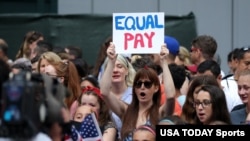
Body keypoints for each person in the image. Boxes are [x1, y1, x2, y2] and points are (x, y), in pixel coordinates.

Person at [100, 43, 175, 141]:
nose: (142, 87)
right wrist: (111, 61)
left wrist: (164, 63)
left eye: (147, 84)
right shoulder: (126, 111)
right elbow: (105, 92)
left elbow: (170, 97)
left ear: (156, 88)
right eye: (138, 84)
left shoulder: (160, 113)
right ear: (134, 88)